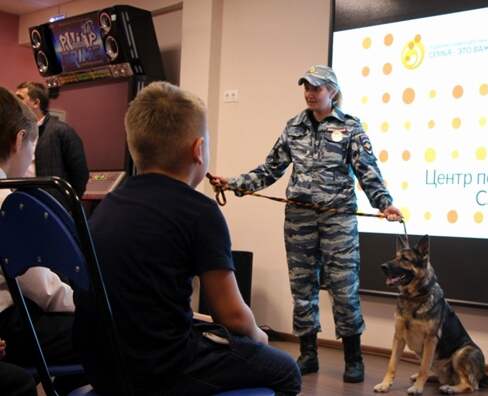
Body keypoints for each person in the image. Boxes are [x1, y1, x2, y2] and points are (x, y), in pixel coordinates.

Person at [74, 81, 301, 396]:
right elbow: (233, 316)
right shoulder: (200, 212)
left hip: (103, 366)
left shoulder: (108, 205)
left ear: (133, 147)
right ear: (199, 150)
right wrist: (259, 338)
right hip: (161, 371)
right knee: (286, 371)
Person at [209, 64, 403, 383]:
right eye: (306, 87)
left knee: (344, 288)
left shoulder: (351, 128)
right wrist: (234, 183)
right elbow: (270, 169)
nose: (310, 93)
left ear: (333, 92)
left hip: (338, 219)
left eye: (317, 88)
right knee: (302, 286)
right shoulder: (293, 127)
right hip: (299, 218)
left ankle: (354, 358)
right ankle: (308, 352)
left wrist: (385, 203)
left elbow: (368, 173)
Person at [0, 86, 79, 395]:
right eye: (33, 148)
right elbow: (43, 288)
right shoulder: (8, 201)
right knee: (104, 331)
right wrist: (89, 303)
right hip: (11, 324)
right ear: (20, 139)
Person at [15, 81, 88, 206]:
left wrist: (67, 205)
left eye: (20, 97)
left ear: (36, 103)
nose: (15, 102)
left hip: (52, 207)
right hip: (23, 204)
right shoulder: (18, 134)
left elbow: (80, 174)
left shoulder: (62, 131)